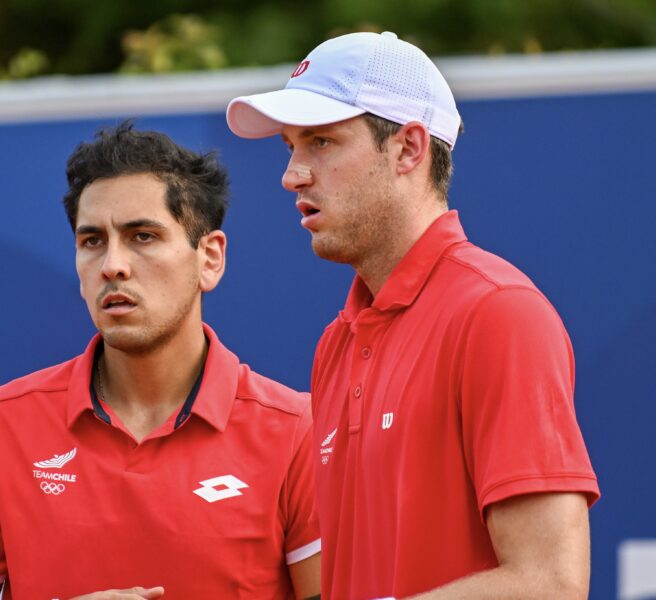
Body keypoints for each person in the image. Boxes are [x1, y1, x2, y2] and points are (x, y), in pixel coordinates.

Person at [227, 31, 599, 600]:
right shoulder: (337, 342)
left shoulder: (498, 312)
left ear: (409, 149)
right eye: (290, 148)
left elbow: (550, 583)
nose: (293, 174)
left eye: (322, 143)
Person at [0, 122, 321, 600]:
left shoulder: (297, 431)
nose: (113, 264)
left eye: (143, 236)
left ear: (210, 258)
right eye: (92, 241)